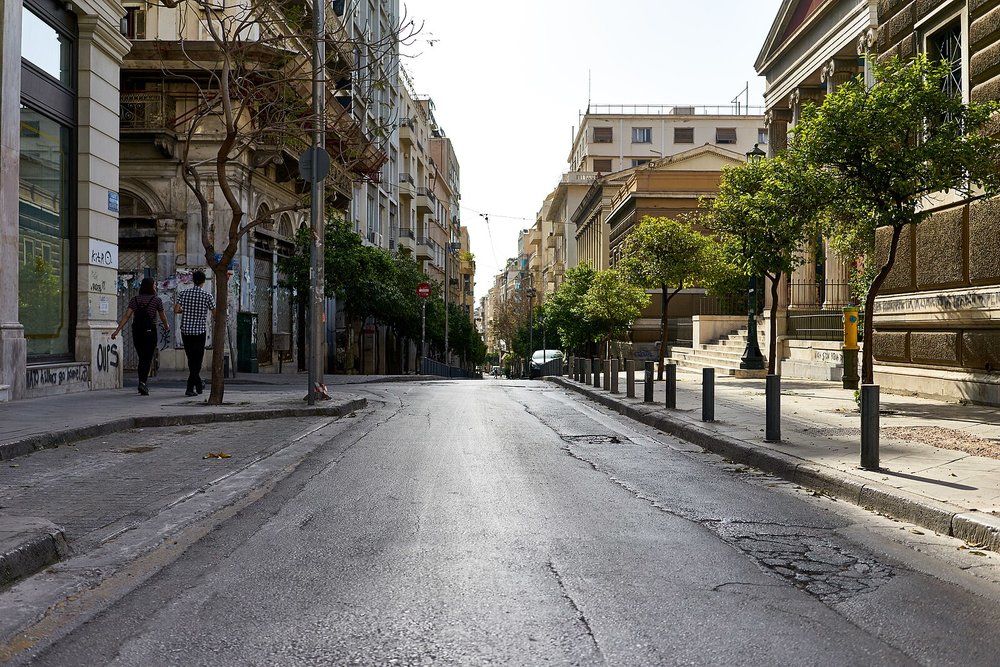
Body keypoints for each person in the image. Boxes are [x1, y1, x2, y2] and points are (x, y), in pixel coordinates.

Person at [111, 277, 169, 396]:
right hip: (150, 331)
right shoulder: (156, 300)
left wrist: (117, 330)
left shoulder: (135, 300)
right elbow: (162, 316)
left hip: (137, 331)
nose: (155, 287)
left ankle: (141, 382)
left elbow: (127, 316)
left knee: (141, 357)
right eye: (154, 285)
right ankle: (142, 382)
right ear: (151, 286)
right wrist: (166, 325)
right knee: (147, 358)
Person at [174, 270, 217, 397]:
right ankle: (190, 387)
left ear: (193, 280)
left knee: (191, 359)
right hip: (199, 332)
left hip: (186, 331)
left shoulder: (184, 293)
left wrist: (185, 311)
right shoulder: (207, 296)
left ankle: (198, 384)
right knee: (197, 360)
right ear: (203, 282)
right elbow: (215, 313)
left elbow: (176, 309)